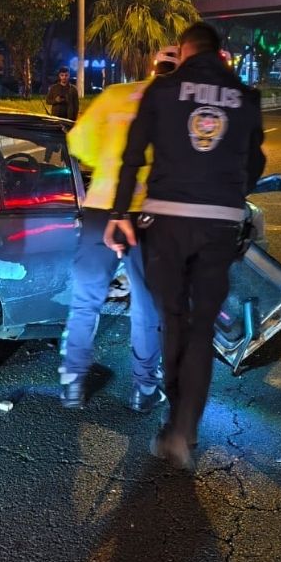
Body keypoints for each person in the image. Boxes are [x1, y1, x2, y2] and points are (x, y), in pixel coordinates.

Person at [105, 22, 266, 469]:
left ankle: (173, 416)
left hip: (166, 221)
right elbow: (254, 162)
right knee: (200, 329)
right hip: (219, 225)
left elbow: (133, 155)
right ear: (219, 52)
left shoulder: (162, 90)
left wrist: (120, 214)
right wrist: (229, 197)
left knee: (171, 320)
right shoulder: (247, 97)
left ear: (185, 50)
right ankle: (184, 430)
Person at [59, 46, 180, 413]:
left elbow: (77, 143)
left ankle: (72, 384)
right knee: (147, 307)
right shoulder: (182, 102)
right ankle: (144, 389)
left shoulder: (114, 95)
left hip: (101, 208)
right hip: (152, 214)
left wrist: (108, 163)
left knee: (85, 301)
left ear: (152, 66)